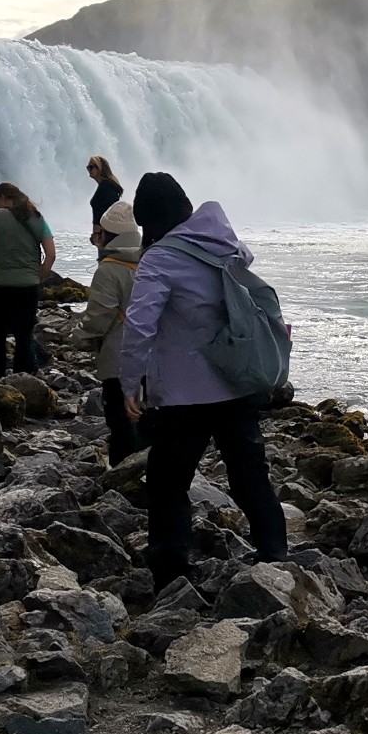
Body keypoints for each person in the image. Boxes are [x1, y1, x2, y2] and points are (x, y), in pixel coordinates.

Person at [119, 172, 288, 587]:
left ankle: (172, 568)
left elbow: (140, 324)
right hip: (237, 380)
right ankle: (274, 552)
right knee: (249, 473)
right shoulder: (225, 243)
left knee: (168, 482)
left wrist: (129, 382)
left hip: (183, 393)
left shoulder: (160, 258)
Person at [71, 200, 144, 465]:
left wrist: (77, 336)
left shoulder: (109, 269)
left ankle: (124, 473)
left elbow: (99, 317)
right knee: (147, 415)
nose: (96, 239)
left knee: (119, 417)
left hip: (119, 355)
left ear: (110, 236)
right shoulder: (149, 260)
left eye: (98, 234)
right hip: (153, 353)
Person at [0, 182, 55, 378]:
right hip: (27, 285)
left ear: (4, 198)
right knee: (24, 335)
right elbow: (51, 254)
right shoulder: (36, 217)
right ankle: (20, 377)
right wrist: (40, 275)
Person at [86, 155, 124, 246]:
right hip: (105, 235)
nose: (89, 170)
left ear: (99, 168)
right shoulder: (107, 186)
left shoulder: (106, 187)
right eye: (88, 168)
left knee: (106, 259)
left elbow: (106, 212)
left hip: (105, 237)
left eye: (91, 167)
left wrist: (98, 235)